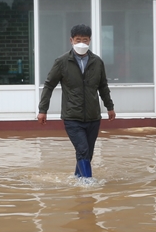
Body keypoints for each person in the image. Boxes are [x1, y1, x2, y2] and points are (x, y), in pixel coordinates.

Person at [37, 24, 116, 178]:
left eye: (85, 40)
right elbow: (49, 85)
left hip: (93, 117)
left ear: (90, 41)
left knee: (87, 153)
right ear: (71, 40)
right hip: (72, 117)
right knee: (83, 150)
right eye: (78, 40)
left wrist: (110, 107)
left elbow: (103, 86)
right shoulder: (62, 62)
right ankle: (88, 183)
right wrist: (42, 110)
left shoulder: (97, 62)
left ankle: (77, 179)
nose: (82, 43)